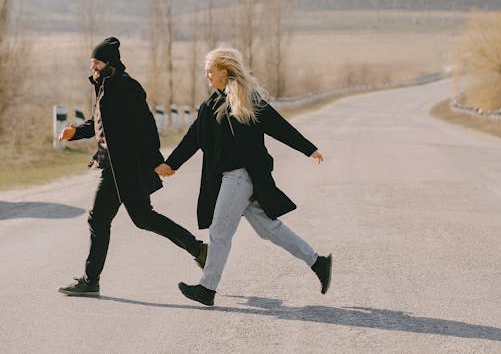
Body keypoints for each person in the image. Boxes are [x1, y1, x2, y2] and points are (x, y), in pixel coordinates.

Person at [155, 47, 331, 307]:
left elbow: (279, 127)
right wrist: (170, 164)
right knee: (269, 229)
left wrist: (309, 149)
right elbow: (192, 139)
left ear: (224, 71)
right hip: (232, 180)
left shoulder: (247, 100)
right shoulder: (210, 104)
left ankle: (207, 288)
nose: (206, 75)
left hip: (240, 179)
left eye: (210, 70)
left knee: (219, 233)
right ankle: (318, 262)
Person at [57, 37, 208, 297]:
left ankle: (91, 280)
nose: (93, 68)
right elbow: (99, 122)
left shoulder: (127, 88)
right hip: (112, 165)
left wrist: (156, 161)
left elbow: (146, 127)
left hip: (126, 167)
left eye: (97, 63)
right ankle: (197, 249)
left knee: (105, 219)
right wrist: (75, 132)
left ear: (110, 63)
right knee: (140, 218)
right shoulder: (103, 85)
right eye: (92, 63)